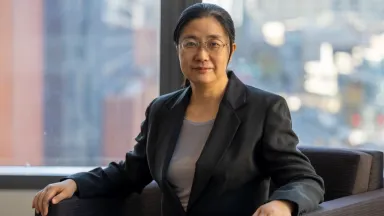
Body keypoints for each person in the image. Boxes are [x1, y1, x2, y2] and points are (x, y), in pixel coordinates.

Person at [32, 3, 325, 216]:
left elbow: (305, 179)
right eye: (191, 44)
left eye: (214, 44)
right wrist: (74, 184)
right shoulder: (162, 110)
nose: (202, 55)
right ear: (178, 50)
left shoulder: (263, 109)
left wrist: (283, 205)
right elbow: (131, 172)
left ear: (231, 50)